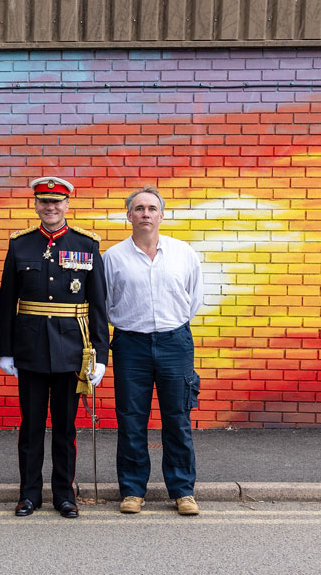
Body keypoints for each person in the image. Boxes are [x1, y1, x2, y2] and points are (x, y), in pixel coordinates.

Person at [0, 176, 108, 519]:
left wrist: (101, 356)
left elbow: (98, 304)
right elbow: (6, 303)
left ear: (67, 205)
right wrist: (6, 350)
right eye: (44, 202)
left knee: (64, 428)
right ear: (36, 205)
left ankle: (64, 495)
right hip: (30, 350)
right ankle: (29, 494)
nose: (50, 207)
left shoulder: (87, 244)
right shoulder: (20, 245)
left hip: (71, 351)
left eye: (57, 202)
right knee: (30, 427)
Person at [103, 185, 204, 516]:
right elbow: (105, 304)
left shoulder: (183, 253)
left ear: (161, 215)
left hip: (175, 342)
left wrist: (170, 328)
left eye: (151, 208)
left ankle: (183, 491)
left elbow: (193, 299)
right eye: (138, 208)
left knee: (177, 418)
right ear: (128, 215)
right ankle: (133, 490)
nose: (145, 213)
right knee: (132, 419)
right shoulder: (112, 258)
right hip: (131, 344)